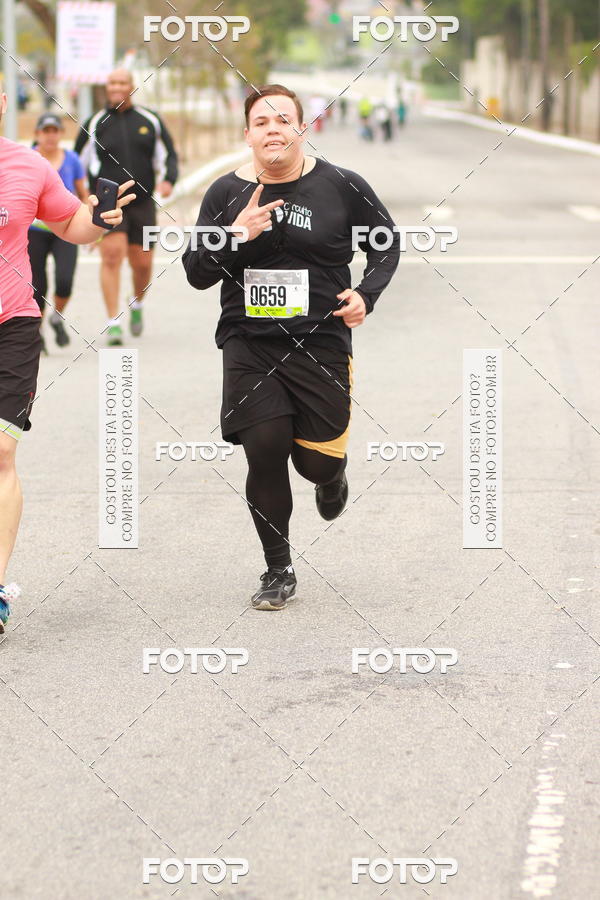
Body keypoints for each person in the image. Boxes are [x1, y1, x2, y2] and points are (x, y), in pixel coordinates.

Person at [182, 84, 399, 611]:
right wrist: (233, 235)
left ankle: (333, 476)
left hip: (320, 341)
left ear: (302, 129)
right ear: (248, 134)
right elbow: (196, 275)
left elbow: (386, 243)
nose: (273, 128)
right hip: (248, 341)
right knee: (264, 448)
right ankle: (278, 568)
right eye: (261, 121)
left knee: (314, 466)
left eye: (283, 119)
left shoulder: (342, 186)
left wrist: (364, 294)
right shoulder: (224, 195)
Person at [0, 84, 135, 634]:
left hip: (12, 323)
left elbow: (69, 225)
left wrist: (100, 217)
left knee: (1, 455)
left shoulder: (27, 165)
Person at [74, 68, 178, 345]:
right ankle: (113, 321)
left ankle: (137, 304)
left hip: (143, 202)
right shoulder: (95, 122)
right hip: (109, 203)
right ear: (106, 87)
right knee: (112, 257)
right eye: (112, 83)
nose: (117, 87)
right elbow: (77, 165)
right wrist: (84, 198)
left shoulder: (150, 120)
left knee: (142, 264)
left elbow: (169, 154)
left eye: (122, 82)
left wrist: (169, 179)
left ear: (132, 86)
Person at [27, 113, 88, 350]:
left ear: (61, 134)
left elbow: (83, 194)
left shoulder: (71, 159)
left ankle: (56, 316)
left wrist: (91, 226)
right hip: (34, 231)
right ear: (37, 134)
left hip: (67, 228)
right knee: (37, 286)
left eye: (55, 131)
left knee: (64, 281)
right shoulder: (28, 158)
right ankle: (37, 330)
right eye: (46, 131)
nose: (50, 136)